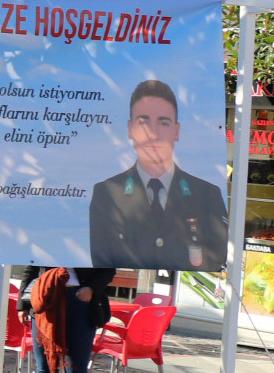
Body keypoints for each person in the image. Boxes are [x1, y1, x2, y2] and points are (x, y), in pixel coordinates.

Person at [89, 79, 228, 271]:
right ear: (130, 129)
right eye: (143, 122)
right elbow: (101, 260)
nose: (153, 133)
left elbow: (218, 257)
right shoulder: (106, 193)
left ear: (176, 131)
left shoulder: (207, 194)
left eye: (163, 123)